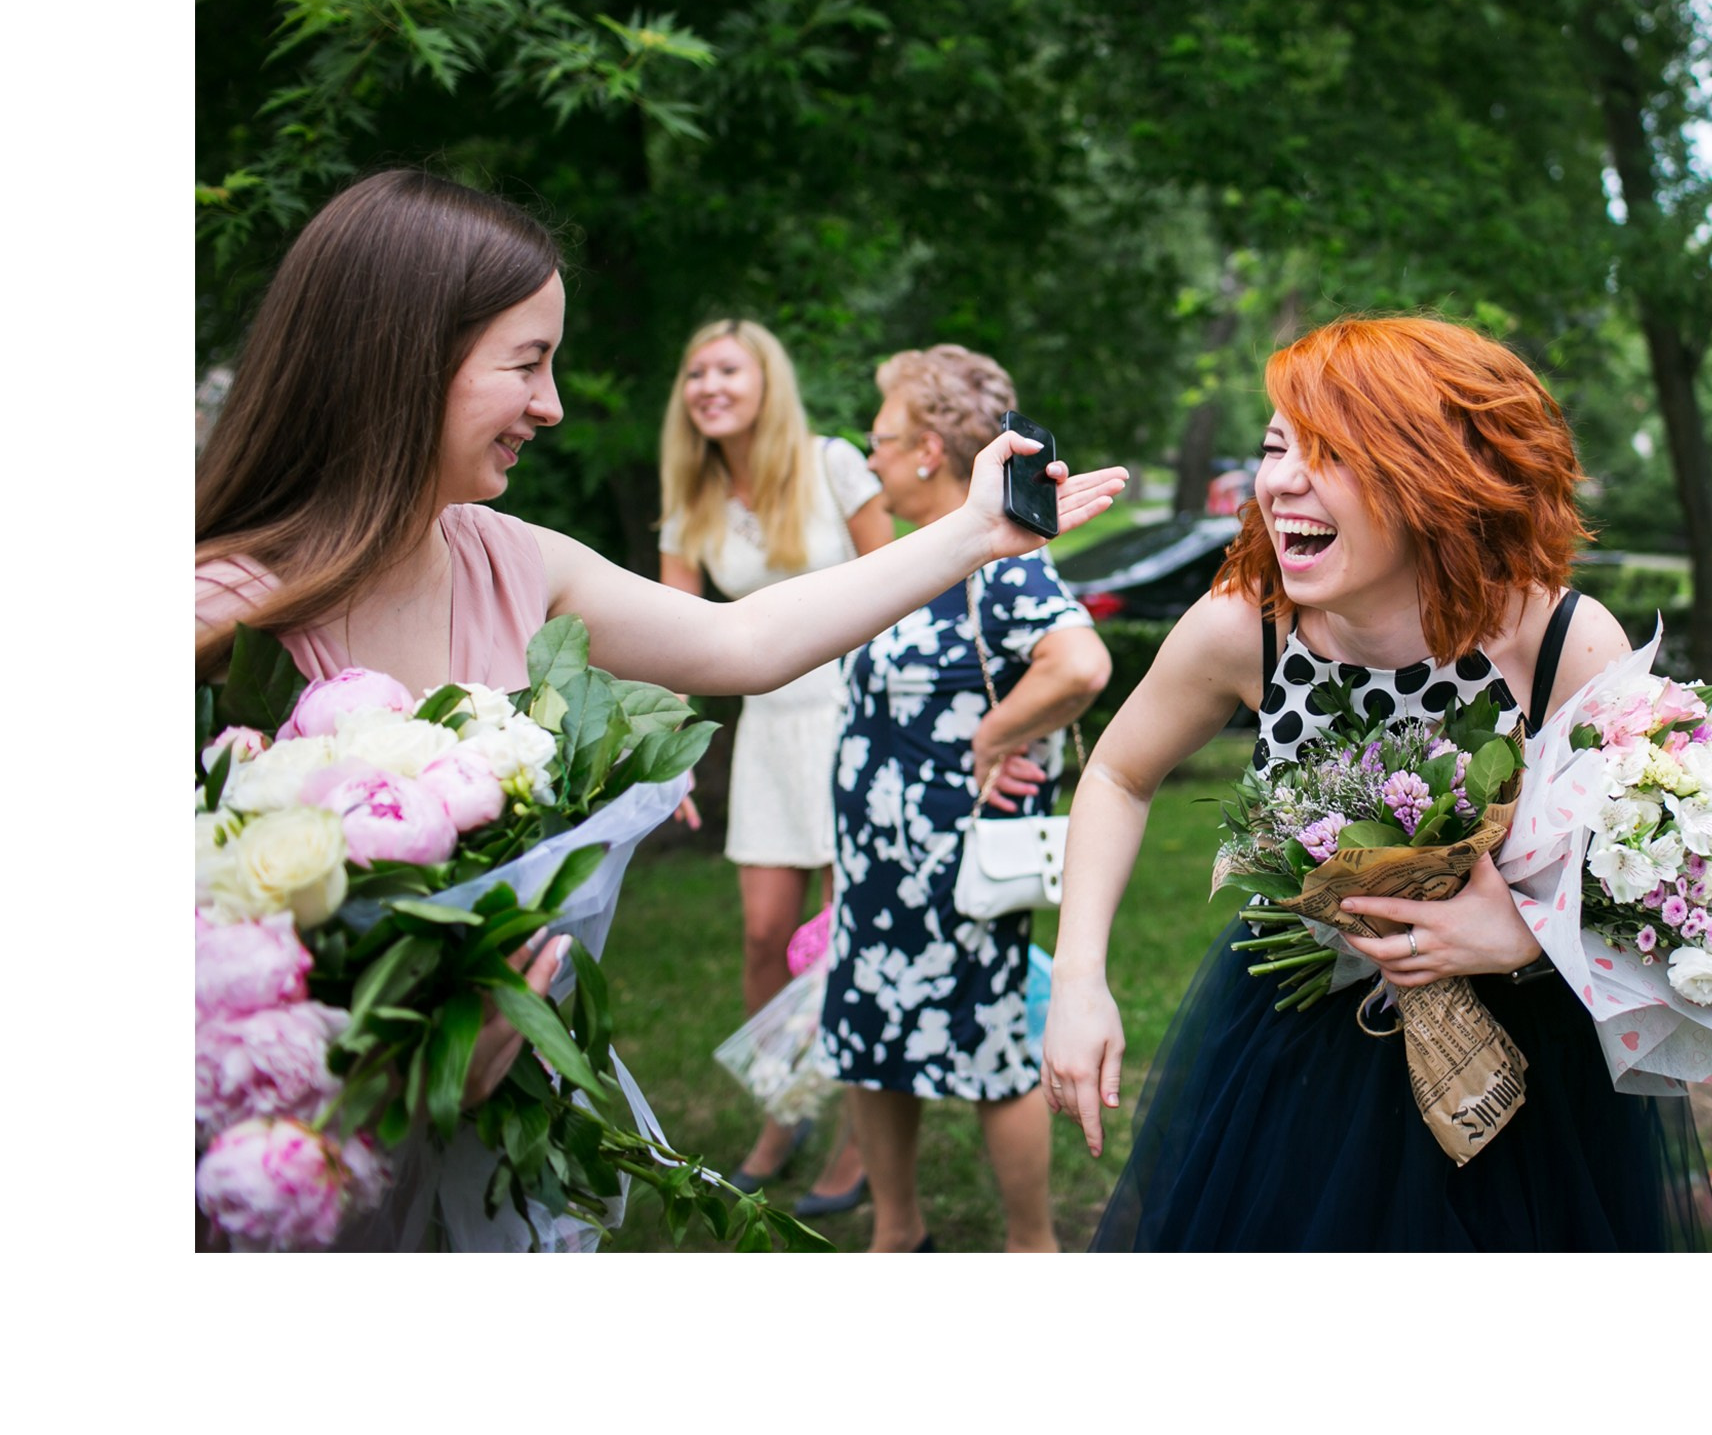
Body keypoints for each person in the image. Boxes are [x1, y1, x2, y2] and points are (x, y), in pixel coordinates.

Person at [194, 173, 1127, 1171]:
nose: (550, 406)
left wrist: (977, 532)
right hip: (304, 1146)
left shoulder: (515, 560)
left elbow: (744, 643)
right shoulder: (215, 616)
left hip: (494, 1138)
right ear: (406, 359)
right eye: (527, 364)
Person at [1046, 313, 1712, 1252]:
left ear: (1435, 475)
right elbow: (1119, 773)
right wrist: (1078, 980)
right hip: (1301, 1053)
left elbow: (1660, 878)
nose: (1280, 478)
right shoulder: (1246, 628)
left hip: (1528, 1068)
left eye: (1328, 452)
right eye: (1277, 445)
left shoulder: (1560, 641)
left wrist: (1522, 942)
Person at [817, 345, 1115, 1255]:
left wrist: (993, 738)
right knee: (871, 1034)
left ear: (930, 450)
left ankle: (1032, 1245)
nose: (869, 459)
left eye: (883, 439)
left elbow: (1080, 662)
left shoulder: (1000, 559)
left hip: (952, 860)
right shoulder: (912, 558)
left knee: (990, 1049)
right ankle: (896, 1233)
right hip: (878, 859)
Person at [656, 318, 894, 1204]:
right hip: (767, 728)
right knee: (765, 934)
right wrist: (670, 753)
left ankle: (862, 1135)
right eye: (694, 373)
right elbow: (672, 642)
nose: (708, 386)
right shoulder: (692, 495)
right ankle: (784, 1104)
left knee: (847, 935)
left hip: (853, 714)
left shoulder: (833, 463)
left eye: (727, 369)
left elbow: (900, 575)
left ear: (767, 383)